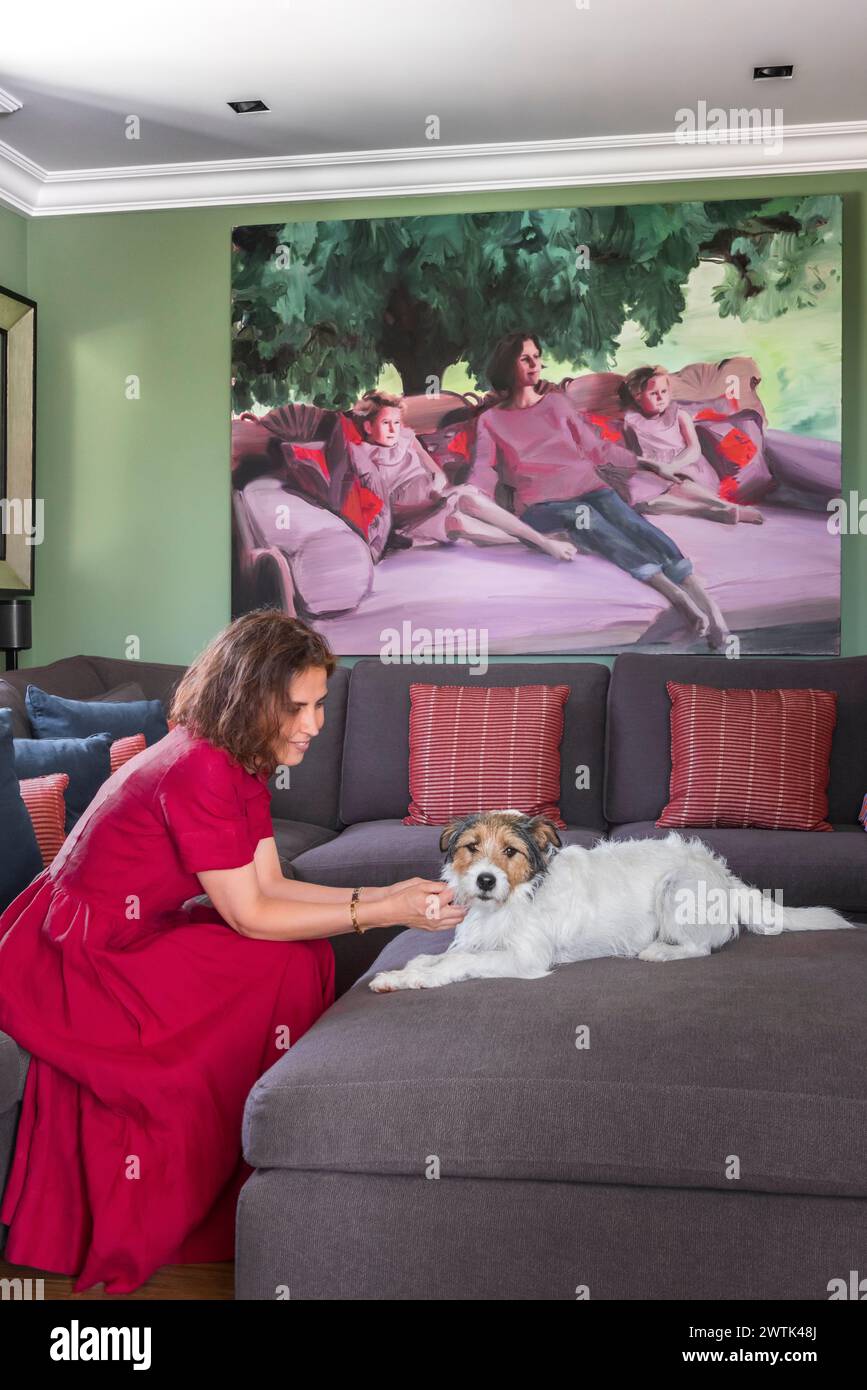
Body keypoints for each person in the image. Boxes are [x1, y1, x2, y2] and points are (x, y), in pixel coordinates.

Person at [0, 610, 463, 1294]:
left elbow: (272, 884)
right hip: (78, 955)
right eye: (298, 708)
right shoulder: (198, 768)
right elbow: (250, 915)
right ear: (250, 699)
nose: (314, 724)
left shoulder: (235, 758)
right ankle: (231, 1161)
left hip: (126, 930)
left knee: (300, 957)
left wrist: (381, 893)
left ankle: (266, 1150)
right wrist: (384, 910)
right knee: (278, 959)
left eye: (319, 706)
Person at [469, 332, 730, 648]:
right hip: (542, 506)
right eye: (526, 358)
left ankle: (714, 612)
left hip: (590, 487)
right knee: (586, 517)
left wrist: (647, 463)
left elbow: (596, 449)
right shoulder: (491, 420)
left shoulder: (556, 403)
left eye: (537, 356)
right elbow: (482, 473)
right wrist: (468, 502)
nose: (535, 364)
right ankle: (676, 596)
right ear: (507, 365)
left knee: (634, 524)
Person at [347, 390, 577, 560]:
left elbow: (435, 470)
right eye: (385, 423)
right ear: (368, 427)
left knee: (468, 496)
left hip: (433, 495)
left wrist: (438, 483)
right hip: (409, 516)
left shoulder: (407, 438)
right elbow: (379, 502)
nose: (392, 430)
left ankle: (541, 540)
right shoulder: (363, 454)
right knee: (457, 522)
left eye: (395, 423)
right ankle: (541, 541)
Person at [618, 365, 763, 524]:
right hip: (655, 469)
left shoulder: (679, 415)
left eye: (664, 392)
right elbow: (631, 455)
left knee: (682, 485)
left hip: (686, 466)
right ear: (638, 397)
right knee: (643, 502)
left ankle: (724, 506)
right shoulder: (631, 422)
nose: (660, 397)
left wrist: (672, 466)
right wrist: (653, 466)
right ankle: (706, 511)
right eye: (653, 393)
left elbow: (694, 449)